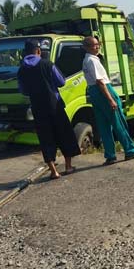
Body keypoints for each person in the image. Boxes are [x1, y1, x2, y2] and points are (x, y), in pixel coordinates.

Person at [17, 39, 80, 180]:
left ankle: (53, 172)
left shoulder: (21, 70)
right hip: (55, 106)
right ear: (38, 51)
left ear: (25, 53)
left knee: (46, 138)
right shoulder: (47, 64)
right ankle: (68, 167)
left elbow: (23, 91)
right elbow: (61, 82)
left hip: (38, 109)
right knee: (63, 133)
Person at [82, 36, 134, 165]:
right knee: (118, 122)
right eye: (94, 45)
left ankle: (110, 155)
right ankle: (130, 150)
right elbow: (100, 82)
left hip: (94, 93)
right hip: (103, 91)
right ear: (86, 47)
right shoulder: (92, 60)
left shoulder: (86, 60)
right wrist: (110, 99)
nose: (97, 47)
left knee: (103, 125)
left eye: (98, 44)